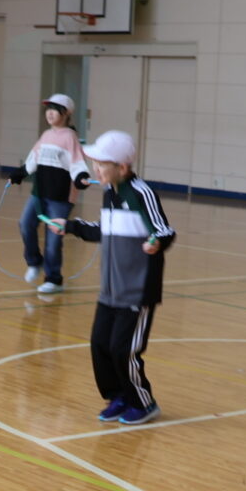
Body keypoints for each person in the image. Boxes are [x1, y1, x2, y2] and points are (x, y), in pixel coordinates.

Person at [47, 130, 176, 426]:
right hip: (110, 289)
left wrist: (156, 242)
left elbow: (164, 230)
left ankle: (143, 402)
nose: (96, 169)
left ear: (122, 167)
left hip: (137, 290)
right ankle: (118, 395)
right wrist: (69, 226)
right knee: (100, 344)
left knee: (123, 349)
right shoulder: (110, 194)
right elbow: (102, 230)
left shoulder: (140, 193)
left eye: (102, 164)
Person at [11, 94, 90, 295]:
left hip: (61, 197)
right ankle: (34, 262)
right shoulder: (46, 135)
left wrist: (81, 177)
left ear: (65, 114)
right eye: (48, 109)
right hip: (39, 193)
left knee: (53, 240)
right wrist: (20, 173)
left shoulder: (70, 137)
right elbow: (34, 158)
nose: (49, 113)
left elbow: (77, 163)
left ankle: (54, 279)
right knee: (25, 224)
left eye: (54, 109)